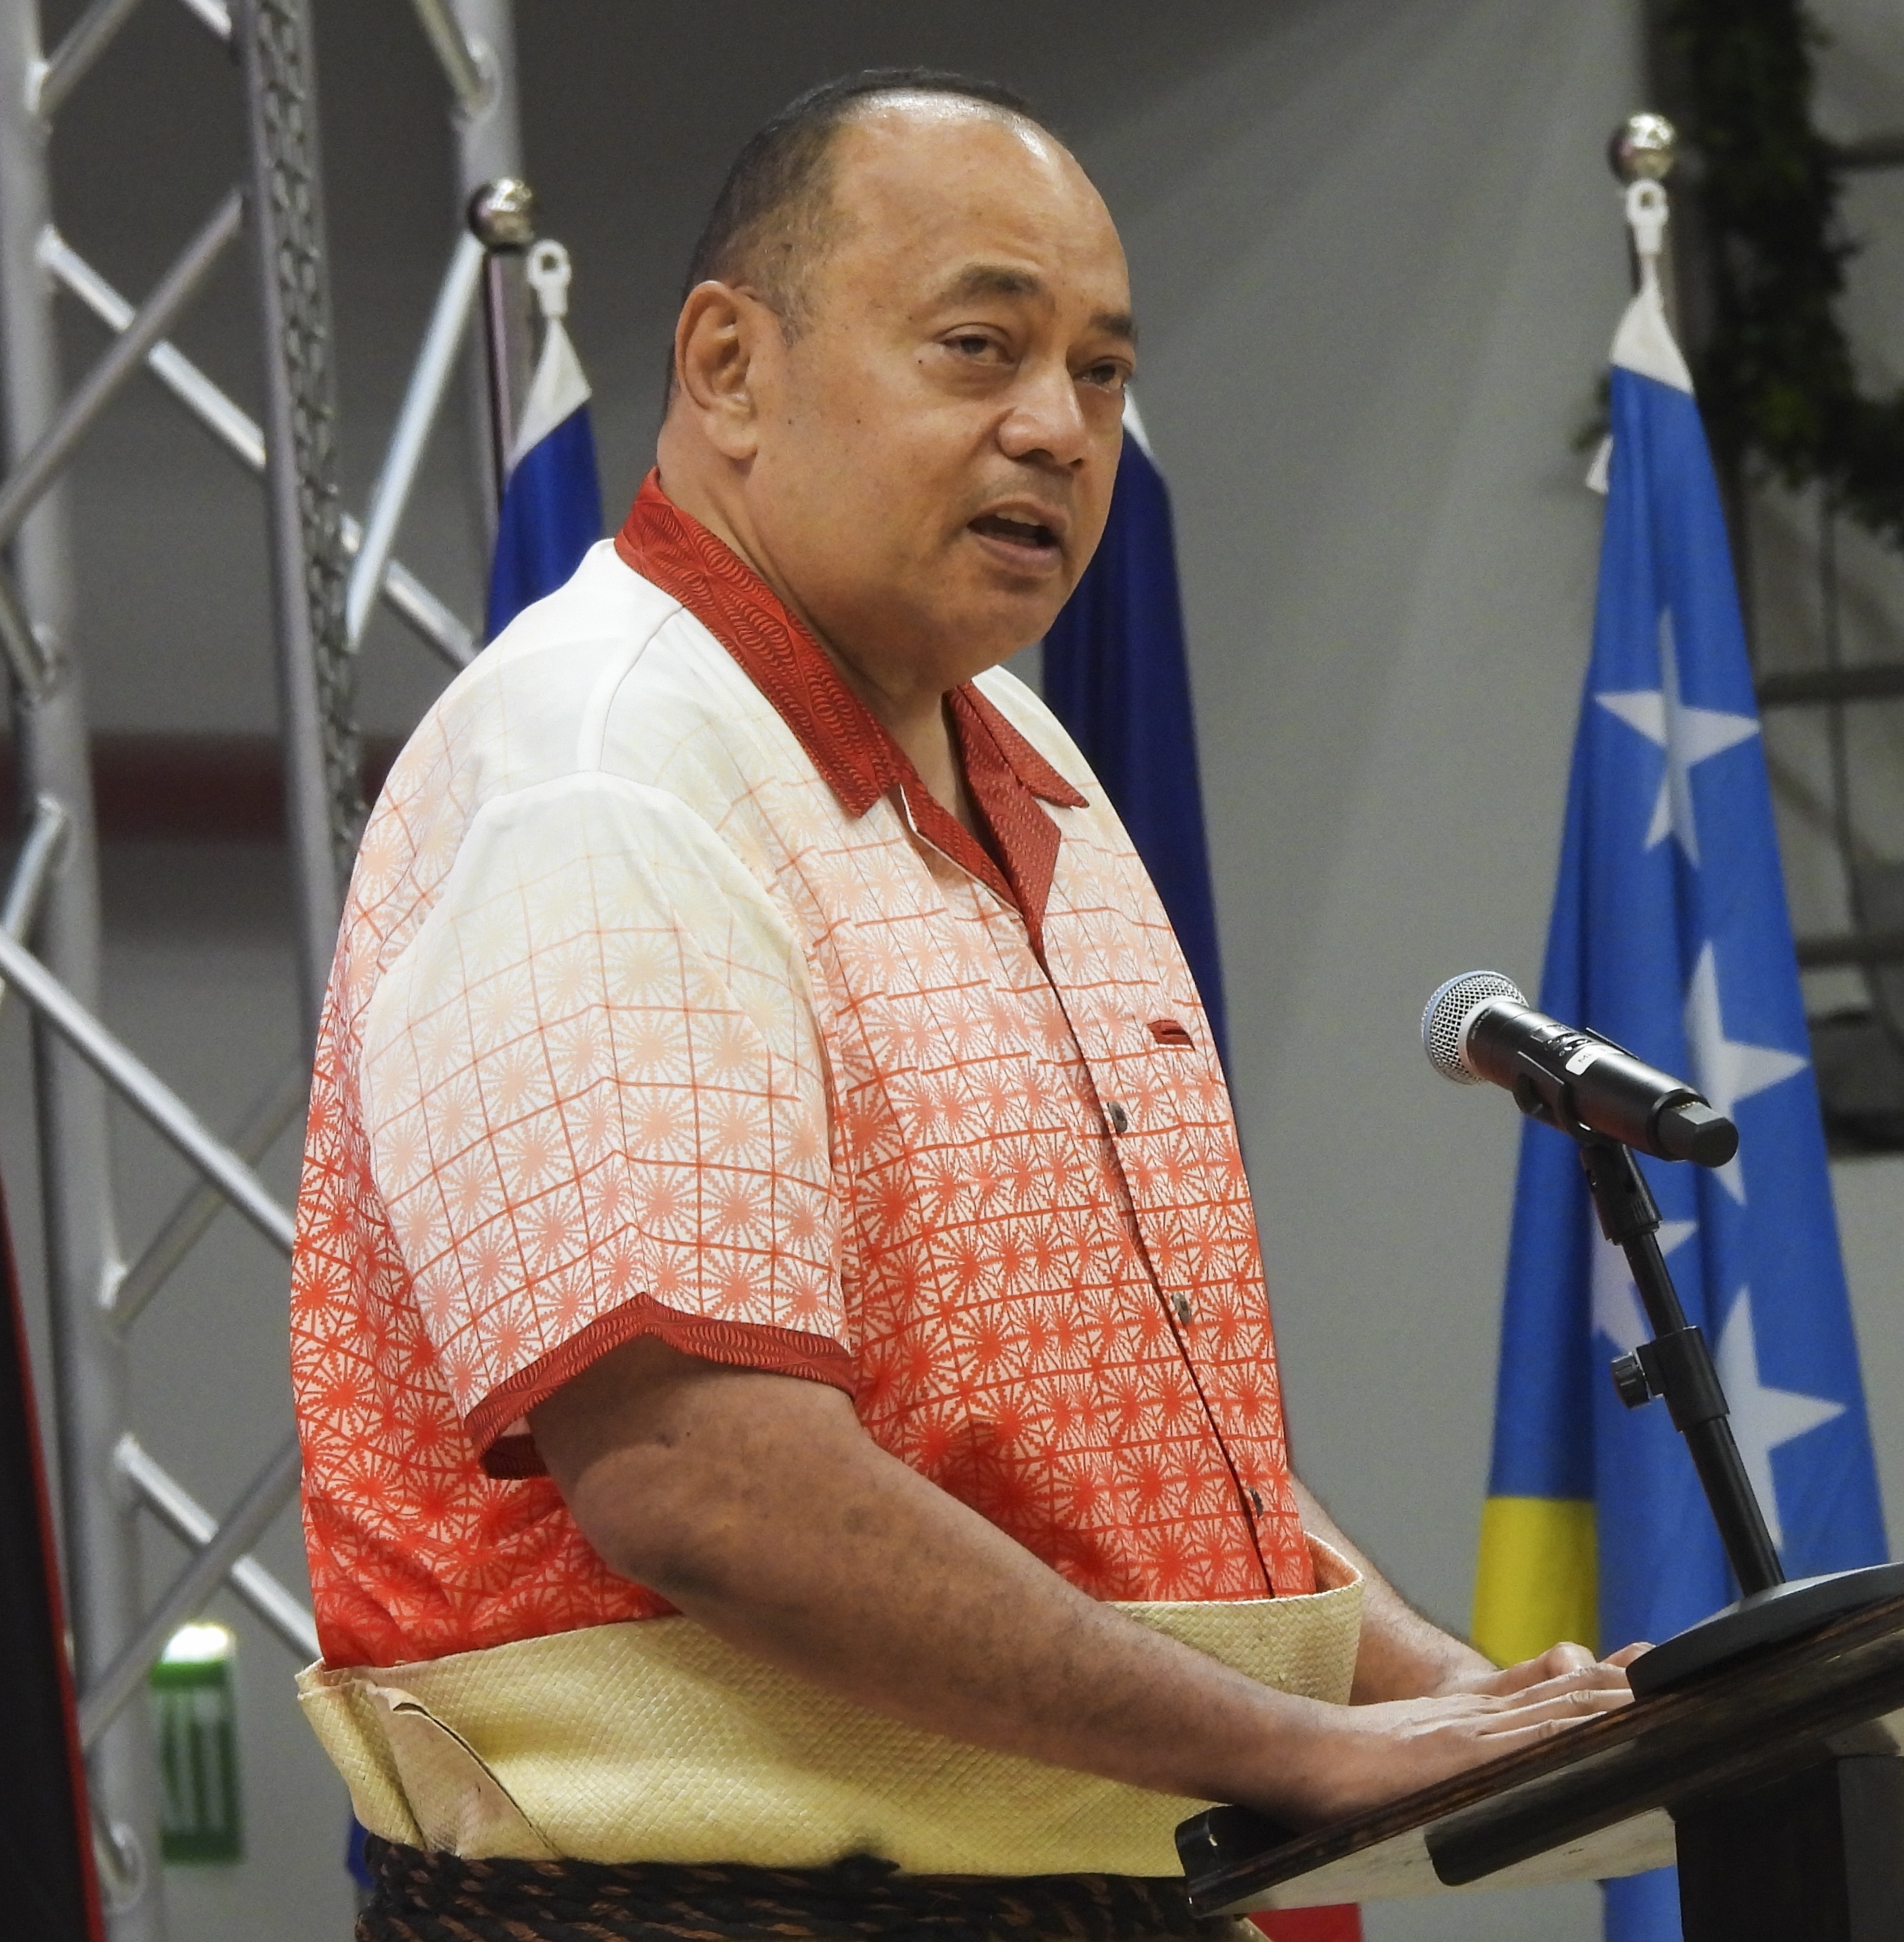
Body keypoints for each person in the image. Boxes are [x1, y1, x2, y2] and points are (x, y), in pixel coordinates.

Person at [286, 68, 1637, 1939]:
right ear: (729, 367)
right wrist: (1295, 1751)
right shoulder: (606, 767)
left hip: (1094, 1881)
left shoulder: (1030, 755)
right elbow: (709, 1486)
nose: (1058, 428)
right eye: (979, 345)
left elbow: (1127, 1454)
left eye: (1099, 370)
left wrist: (1429, 1690)